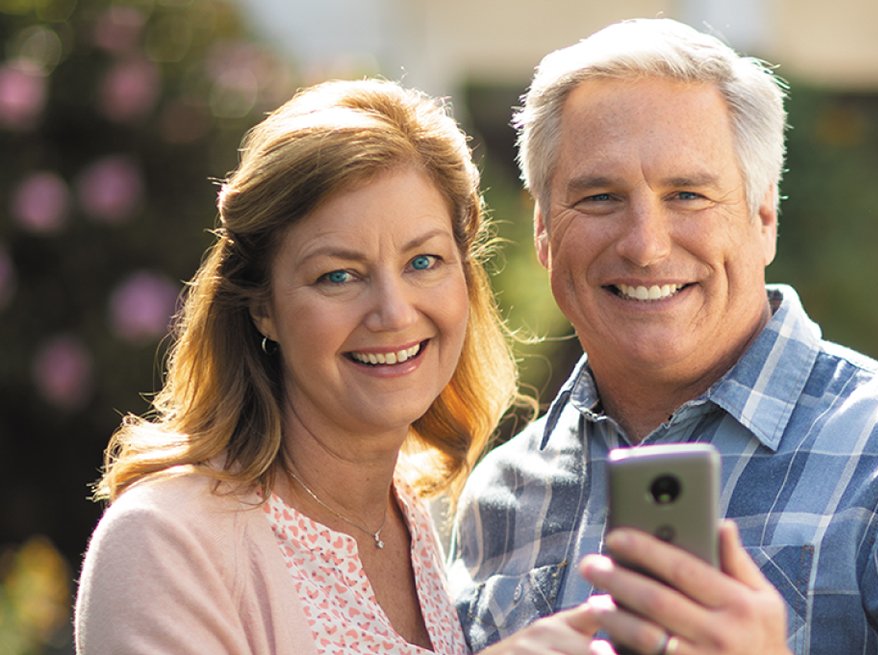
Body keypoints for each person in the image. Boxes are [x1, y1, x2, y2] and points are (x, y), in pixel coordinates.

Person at [449, 18, 878, 655]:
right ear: (545, 235)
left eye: (687, 194)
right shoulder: (503, 496)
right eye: (601, 197)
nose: (645, 245)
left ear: (763, 217)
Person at [73, 78, 602, 654]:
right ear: (263, 307)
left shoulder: (416, 517)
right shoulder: (166, 540)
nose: (394, 313)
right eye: (338, 276)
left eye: (423, 261)